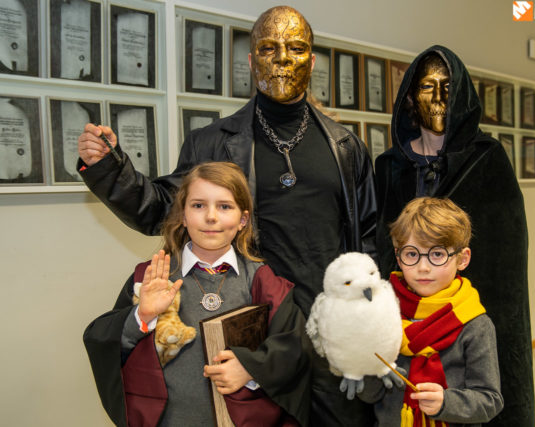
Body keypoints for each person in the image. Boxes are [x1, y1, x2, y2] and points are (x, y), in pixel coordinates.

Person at [78, 6, 377, 425]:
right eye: (269, 48)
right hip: (255, 326)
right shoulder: (212, 142)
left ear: (312, 61)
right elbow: (163, 209)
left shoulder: (346, 146)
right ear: (252, 61)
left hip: (331, 330)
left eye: (295, 48)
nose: (282, 59)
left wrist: (370, 316)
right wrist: (111, 169)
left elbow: (368, 238)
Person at [375, 45, 533, 426]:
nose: (439, 98)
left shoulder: (487, 159)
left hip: (464, 318)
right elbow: (380, 245)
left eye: (448, 87)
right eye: (428, 87)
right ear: (410, 98)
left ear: (462, 96)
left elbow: (505, 256)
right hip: (404, 316)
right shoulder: (390, 166)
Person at [83, 162, 311, 426]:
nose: (211, 217)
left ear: (243, 220)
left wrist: (252, 367)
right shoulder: (151, 278)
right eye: (199, 205)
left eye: (224, 207)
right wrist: (141, 316)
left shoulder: (262, 281)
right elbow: (105, 344)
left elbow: (294, 348)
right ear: (183, 215)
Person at [365, 197, 503, 427]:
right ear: (398, 256)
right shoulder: (383, 313)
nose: (423, 267)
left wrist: (446, 403)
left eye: (437, 254)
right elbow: (369, 395)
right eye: (412, 254)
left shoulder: (475, 324)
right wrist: (364, 368)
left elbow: (490, 401)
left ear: (462, 259)